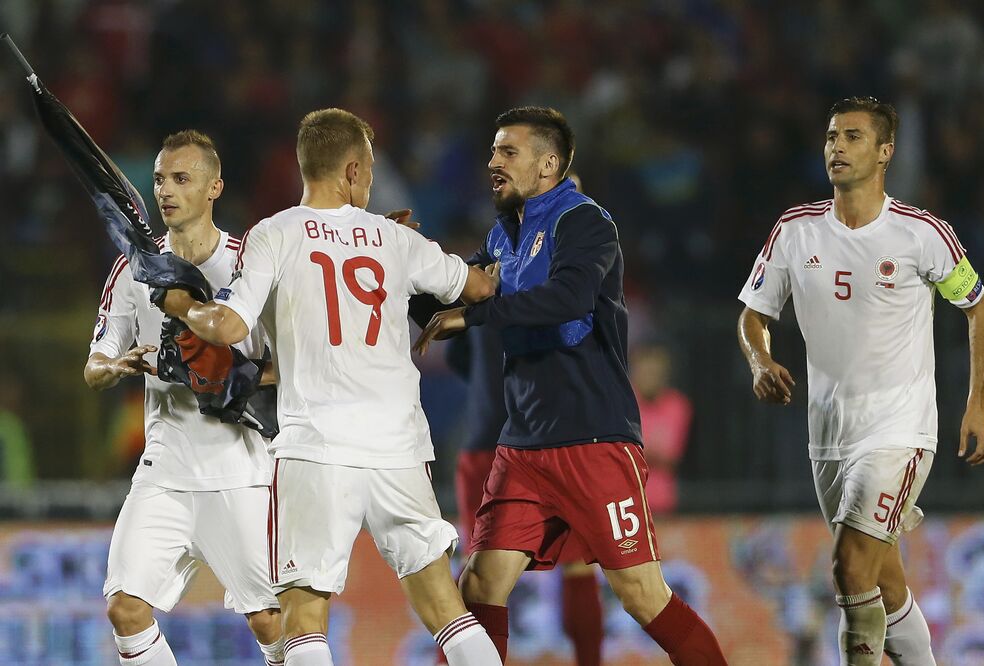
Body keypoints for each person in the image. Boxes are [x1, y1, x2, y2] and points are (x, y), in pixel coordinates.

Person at [157, 108, 503, 666]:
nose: (368, 181)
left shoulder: (273, 234)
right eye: (367, 170)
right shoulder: (395, 237)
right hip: (397, 447)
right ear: (351, 170)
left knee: (304, 616)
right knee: (446, 608)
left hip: (316, 448)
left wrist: (182, 304)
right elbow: (481, 286)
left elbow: (228, 328)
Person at [415, 106, 728, 665]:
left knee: (642, 594)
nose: (493, 162)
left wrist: (479, 316)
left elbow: (570, 299)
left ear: (548, 164)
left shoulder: (583, 221)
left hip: (593, 439)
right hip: (522, 445)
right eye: (492, 151)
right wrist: (400, 263)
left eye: (507, 152)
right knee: (481, 587)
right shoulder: (501, 234)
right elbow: (450, 299)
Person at [737, 96, 984, 666]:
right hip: (828, 434)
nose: (837, 146)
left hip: (899, 428)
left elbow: (980, 309)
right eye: (832, 136)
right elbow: (753, 313)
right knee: (883, 582)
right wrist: (760, 360)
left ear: (885, 153)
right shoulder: (795, 232)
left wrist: (976, 403)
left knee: (848, 564)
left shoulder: (921, 234)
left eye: (853, 136)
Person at [85, 130, 284, 666]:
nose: (165, 191)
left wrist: (231, 377)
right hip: (165, 470)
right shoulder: (134, 270)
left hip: (241, 470)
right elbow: (94, 364)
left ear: (214, 186)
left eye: (181, 179)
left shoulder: (251, 265)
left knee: (275, 622)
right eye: (158, 180)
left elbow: (295, 366)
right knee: (126, 609)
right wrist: (116, 365)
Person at [444, 324, 605, 666]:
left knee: (476, 574)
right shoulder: (571, 271)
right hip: (558, 435)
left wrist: (493, 381)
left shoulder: (481, 272)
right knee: (577, 565)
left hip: (488, 434)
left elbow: (456, 353)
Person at [630, 344, 692, 516]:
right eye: (646, 372)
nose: (650, 378)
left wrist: (638, 447)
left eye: (655, 373)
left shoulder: (678, 405)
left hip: (662, 504)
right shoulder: (622, 402)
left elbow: (672, 455)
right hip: (626, 502)